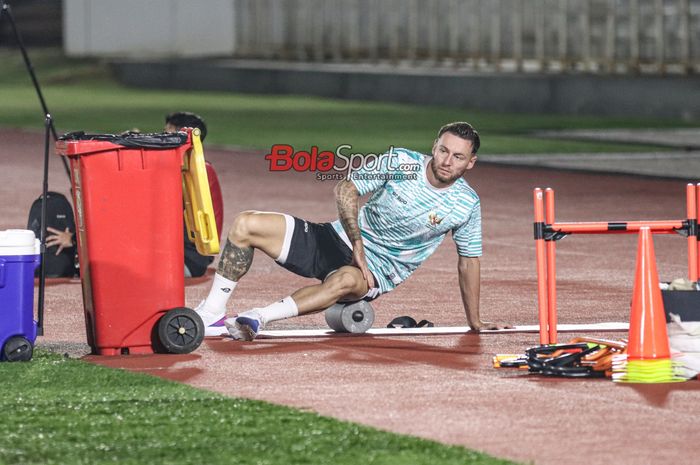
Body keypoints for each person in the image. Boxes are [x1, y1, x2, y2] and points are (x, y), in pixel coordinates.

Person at [196, 121, 510, 339]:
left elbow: (468, 262)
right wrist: (357, 244)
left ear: (471, 162)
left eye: (458, 156)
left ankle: (258, 317)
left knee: (346, 278)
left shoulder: (466, 204)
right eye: (443, 150)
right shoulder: (402, 162)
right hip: (337, 238)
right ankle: (213, 312)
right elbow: (346, 189)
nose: (447, 161)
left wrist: (475, 321)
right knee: (246, 223)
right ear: (434, 146)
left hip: (375, 272)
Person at [164, 112, 224, 277]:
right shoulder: (189, 169)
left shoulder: (192, 173)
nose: (162, 138)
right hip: (186, 257)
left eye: (167, 133)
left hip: (187, 259)